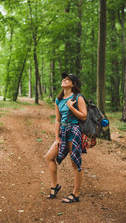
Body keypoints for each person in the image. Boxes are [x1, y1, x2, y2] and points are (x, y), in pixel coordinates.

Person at [46, 72, 87, 203]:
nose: (64, 80)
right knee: (49, 157)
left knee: (75, 163)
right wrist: (56, 138)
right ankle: (54, 186)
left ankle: (76, 194)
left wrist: (71, 107)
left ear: (73, 84)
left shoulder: (78, 97)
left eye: (68, 79)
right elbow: (57, 120)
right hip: (63, 132)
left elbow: (84, 116)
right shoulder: (58, 99)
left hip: (74, 132)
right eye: (64, 78)